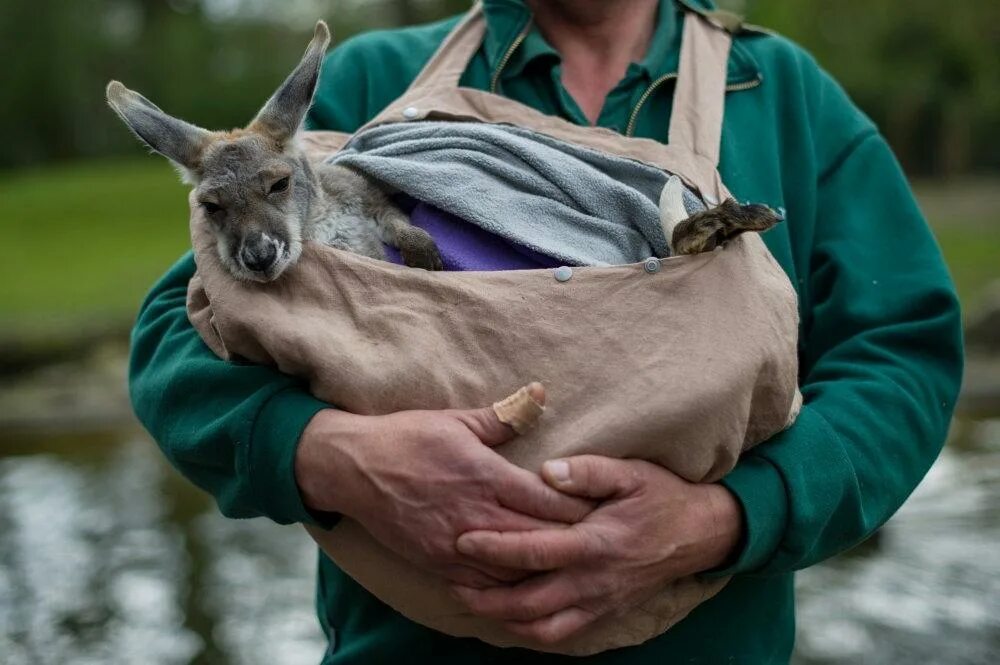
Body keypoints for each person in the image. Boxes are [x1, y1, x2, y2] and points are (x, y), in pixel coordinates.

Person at [129, 0, 963, 662]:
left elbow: (901, 356)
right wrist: (327, 454)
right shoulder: (369, 80)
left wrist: (727, 518)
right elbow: (179, 337)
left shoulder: (781, 94)